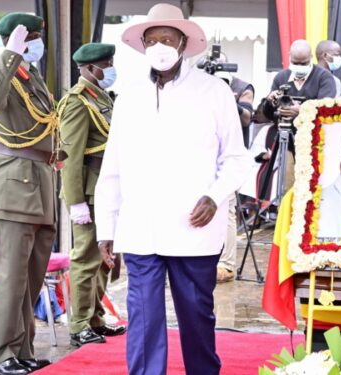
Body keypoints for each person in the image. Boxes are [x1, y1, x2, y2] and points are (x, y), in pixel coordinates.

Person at [94, 4, 251, 374]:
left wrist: (214, 196)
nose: (160, 45)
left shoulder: (214, 92)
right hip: (140, 229)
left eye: (167, 39)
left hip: (193, 229)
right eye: (152, 40)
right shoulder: (129, 97)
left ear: (183, 43)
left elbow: (236, 159)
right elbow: (112, 168)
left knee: (197, 320)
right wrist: (106, 229)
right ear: (144, 46)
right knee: (144, 321)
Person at [0, 13, 61, 375]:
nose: (38, 43)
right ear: (17, 40)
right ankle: (0, 355)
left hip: (39, 182)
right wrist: (8, 55)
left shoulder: (31, 79)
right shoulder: (0, 73)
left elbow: (49, 127)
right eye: (33, 37)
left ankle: (22, 348)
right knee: (10, 276)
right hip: (13, 184)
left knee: (30, 278)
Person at [58, 42, 126, 347]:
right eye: (106, 64)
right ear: (88, 68)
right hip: (88, 191)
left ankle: (96, 317)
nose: (110, 69)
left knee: (103, 260)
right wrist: (75, 202)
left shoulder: (102, 98)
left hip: (107, 190)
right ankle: (79, 323)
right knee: (85, 258)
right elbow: (69, 156)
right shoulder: (77, 101)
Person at [258, 40, 336, 201]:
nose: (299, 66)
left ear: (311, 58)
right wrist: (269, 102)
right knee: (287, 181)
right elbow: (268, 114)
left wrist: (301, 111)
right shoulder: (281, 77)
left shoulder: (324, 77)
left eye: (304, 63)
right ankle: (285, 214)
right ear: (289, 58)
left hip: (314, 140)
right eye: (295, 63)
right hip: (286, 135)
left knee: (311, 182)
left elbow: (326, 108)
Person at [213, 55, 255, 283]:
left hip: (229, 156)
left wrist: (231, 102)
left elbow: (247, 119)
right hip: (200, 156)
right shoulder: (199, 84)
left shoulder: (242, 88)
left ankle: (226, 264)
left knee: (227, 207)